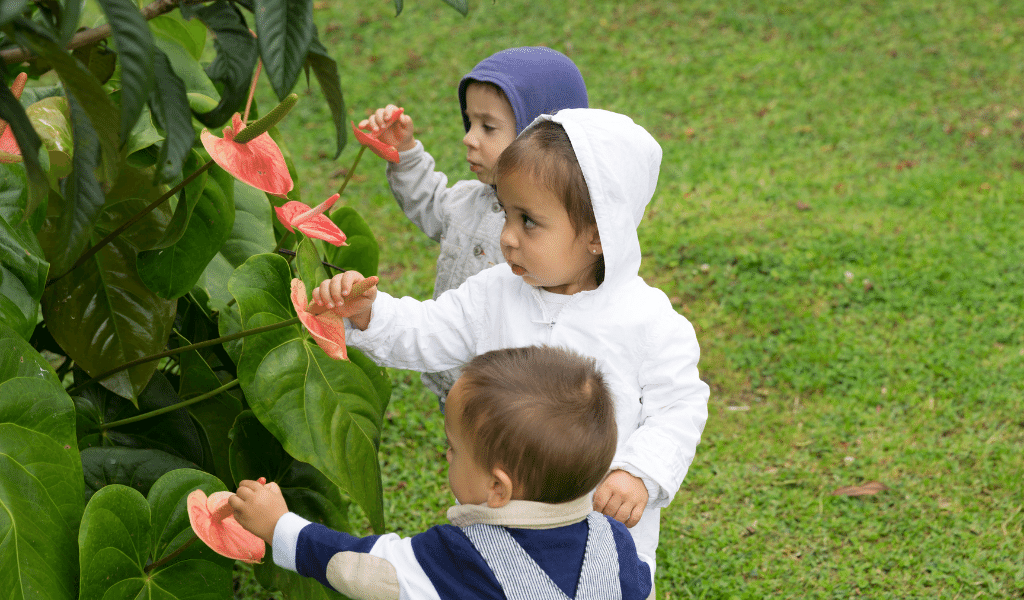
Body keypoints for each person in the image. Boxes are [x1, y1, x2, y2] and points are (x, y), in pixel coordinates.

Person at [312, 108, 711, 589]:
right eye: (506, 212)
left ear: (597, 236)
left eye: (529, 222)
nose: (507, 237)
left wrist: (639, 474)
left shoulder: (649, 322)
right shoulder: (494, 293)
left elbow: (679, 407)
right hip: (497, 521)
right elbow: (431, 328)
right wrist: (369, 315)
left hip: (603, 533)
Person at [230, 345, 653, 600]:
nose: (445, 455)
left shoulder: (460, 556)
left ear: (497, 487)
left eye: (454, 448)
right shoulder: (614, 543)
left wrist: (279, 526)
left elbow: (362, 567)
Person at [358, 46, 588, 401]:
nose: (469, 137)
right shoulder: (468, 201)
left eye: (488, 127)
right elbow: (430, 201)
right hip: (455, 382)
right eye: (470, 122)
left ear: (543, 137)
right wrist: (404, 154)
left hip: (515, 397)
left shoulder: (556, 231)